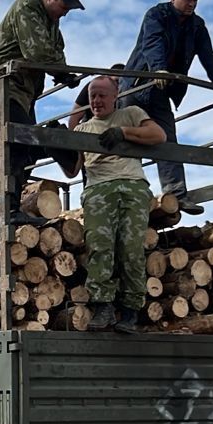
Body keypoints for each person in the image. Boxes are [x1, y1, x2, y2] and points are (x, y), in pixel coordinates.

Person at [0, 0, 84, 230]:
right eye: (64, 7)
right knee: (20, 140)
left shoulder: (51, 21)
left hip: (24, 90)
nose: (65, 14)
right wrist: (60, 71)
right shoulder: (27, 7)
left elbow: (57, 50)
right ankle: (10, 207)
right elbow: (38, 52)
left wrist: (62, 72)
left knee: (4, 144)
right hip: (1, 83)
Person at [120, 0, 213, 215]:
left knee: (166, 137)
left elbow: (207, 56)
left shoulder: (197, 26)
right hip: (137, 85)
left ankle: (176, 195)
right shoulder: (156, 15)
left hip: (161, 90)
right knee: (129, 138)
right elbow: (152, 43)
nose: (191, 3)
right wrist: (158, 68)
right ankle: (127, 193)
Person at [68, 76, 164, 333]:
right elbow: (71, 170)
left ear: (115, 96)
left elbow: (158, 135)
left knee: (131, 248)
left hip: (132, 185)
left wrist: (123, 133)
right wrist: (57, 146)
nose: (97, 101)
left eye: (102, 95)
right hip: (98, 189)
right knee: (100, 247)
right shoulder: (83, 129)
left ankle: (131, 309)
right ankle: (103, 306)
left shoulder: (131, 114)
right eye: (93, 97)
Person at [68, 63, 125, 129]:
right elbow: (74, 117)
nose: (117, 85)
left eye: (121, 82)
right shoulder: (93, 87)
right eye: (116, 81)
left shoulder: (126, 91)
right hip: (90, 129)